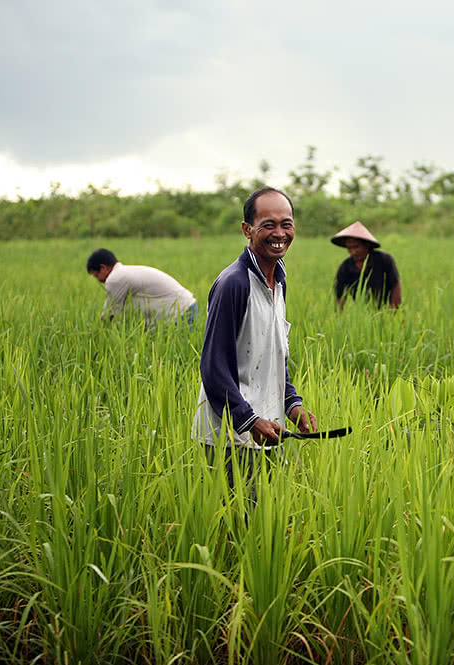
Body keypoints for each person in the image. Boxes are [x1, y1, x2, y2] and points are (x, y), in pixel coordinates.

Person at [192, 187, 317, 496]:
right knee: (235, 528)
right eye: (268, 224)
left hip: (268, 431)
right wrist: (248, 420)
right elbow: (213, 366)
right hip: (231, 436)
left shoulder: (279, 281)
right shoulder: (234, 283)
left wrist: (292, 403)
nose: (280, 233)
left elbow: (274, 354)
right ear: (247, 230)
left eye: (286, 224)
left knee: (264, 529)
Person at [86, 248, 198, 326]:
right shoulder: (124, 273)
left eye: (96, 275)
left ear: (103, 267)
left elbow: (109, 315)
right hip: (185, 309)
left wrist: (96, 335)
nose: (99, 280)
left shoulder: (115, 278)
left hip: (182, 313)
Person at [332, 221, 402, 308]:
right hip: (362, 312)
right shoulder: (345, 267)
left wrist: (393, 311)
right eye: (349, 248)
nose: (353, 252)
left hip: (386, 308)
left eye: (356, 247)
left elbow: (395, 285)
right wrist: (339, 318)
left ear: (367, 244)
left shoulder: (384, 260)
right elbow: (340, 296)